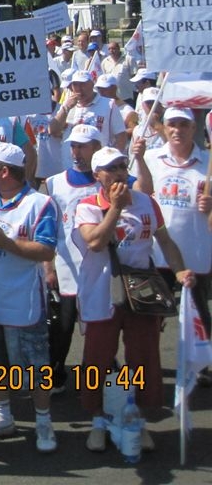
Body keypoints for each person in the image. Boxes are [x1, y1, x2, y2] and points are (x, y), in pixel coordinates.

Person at [73, 147, 195, 452]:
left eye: (122, 166)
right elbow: (96, 242)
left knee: (143, 358)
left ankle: (135, 419)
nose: (118, 172)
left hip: (140, 294)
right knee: (97, 361)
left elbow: (165, 242)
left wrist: (180, 272)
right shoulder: (87, 206)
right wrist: (114, 208)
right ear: (97, 174)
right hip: (101, 295)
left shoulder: (147, 202)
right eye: (110, 168)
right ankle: (98, 420)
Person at [0, 143, 59, 453]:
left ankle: (44, 422)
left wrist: (6, 242)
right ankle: (2, 416)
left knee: (35, 367)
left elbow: (45, 250)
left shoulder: (41, 204)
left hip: (23, 303)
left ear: (5, 171)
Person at [134, 107, 212, 363]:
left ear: (193, 128)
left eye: (183, 125)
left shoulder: (207, 162)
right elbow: (142, 193)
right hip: (158, 253)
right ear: (165, 128)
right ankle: (149, 366)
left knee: (199, 315)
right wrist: (141, 160)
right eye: (172, 124)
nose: (177, 130)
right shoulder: (153, 157)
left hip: (196, 252)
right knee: (153, 316)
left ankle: (202, 366)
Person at [39, 124, 103, 393]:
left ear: (96, 149)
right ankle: (56, 374)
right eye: (73, 146)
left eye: (83, 146)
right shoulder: (54, 183)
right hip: (65, 268)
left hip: (99, 268)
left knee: (99, 329)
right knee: (62, 326)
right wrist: (48, 267)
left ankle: (104, 374)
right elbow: (48, 229)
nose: (77, 152)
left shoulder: (107, 182)